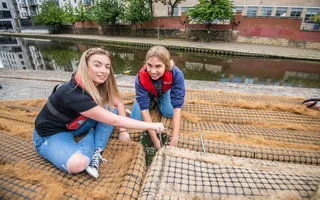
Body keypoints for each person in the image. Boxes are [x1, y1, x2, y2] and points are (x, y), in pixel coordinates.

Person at [33, 47, 164, 179]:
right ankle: (92, 136)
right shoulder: (74, 94)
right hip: (50, 134)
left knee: (110, 108)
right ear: (85, 66)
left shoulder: (97, 84)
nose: (103, 71)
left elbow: (118, 104)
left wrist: (123, 131)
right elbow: (115, 120)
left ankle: (96, 151)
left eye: (107, 67)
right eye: (97, 65)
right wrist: (152, 125)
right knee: (79, 164)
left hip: (75, 125)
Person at [131, 46, 185, 149]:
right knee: (136, 120)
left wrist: (175, 137)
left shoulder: (177, 74)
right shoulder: (140, 77)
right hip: (148, 92)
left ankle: (159, 100)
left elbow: (177, 106)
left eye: (158, 66)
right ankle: (147, 100)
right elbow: (144, 109)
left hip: (164, 90)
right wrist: (155, 139)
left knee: (169, 112)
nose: (153, 71)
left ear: (167, 65)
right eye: (150, 65)